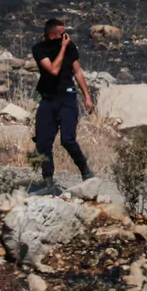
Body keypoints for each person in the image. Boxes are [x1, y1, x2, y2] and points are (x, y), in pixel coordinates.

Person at [29, 18, 96, 195]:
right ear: (51, 36)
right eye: (61, 35)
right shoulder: (39, 49)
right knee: (42, 143)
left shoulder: (70, 47)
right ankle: (48, 181)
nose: (65, 37)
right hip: (49, 99)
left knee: (67, 139)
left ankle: (85, 170)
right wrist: (63, 48)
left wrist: (87, 96)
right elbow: (53, 70)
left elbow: (77, 71)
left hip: (67, 98)